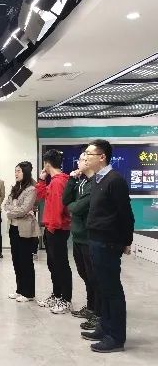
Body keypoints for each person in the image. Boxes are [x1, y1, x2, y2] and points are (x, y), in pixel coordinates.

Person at [81, 139, 134, 353]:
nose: (85, 157)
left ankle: (116, 337)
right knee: (102, 287)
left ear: (102, 157)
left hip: (108, 242)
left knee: (112, 290)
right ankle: (104, 327)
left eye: (89, 154)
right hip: (95, 239)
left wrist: (126, 241)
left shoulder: (115, 180)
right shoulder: (98, 179)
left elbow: (126, 215)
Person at [62, 152, 100, 331]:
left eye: (82, 159)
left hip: (89, 238)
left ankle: (97, 312)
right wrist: (71, 179)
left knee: (93, 276)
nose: (79, 162)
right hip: (77, 236)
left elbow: (77, 208)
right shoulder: (81, 181)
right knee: (85, 275)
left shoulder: (95, 183)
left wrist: (72, 207)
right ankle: (91, 307)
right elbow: (66, 200)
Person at [36, 149, 72, 314]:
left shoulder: (59, 182)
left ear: (46, 164)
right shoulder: (55, 181)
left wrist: (52, 228)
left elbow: (58, 207)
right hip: (52, 227)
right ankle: (57, 295)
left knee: (61, 265)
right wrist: (41, 180)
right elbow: (42, 195)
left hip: (56, 228)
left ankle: (65, 299)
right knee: (53, 264)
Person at [4, 161, 39, 302]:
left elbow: (24, 209)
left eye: (18, 171)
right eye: (15, 171)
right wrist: (14, 210)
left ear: (25, 172)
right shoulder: (15, 188)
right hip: (13, 227)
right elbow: (6, 205)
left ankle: (28, 293)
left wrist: (11, 212)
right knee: (16, 260)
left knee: (25, 261)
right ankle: (20, 290)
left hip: (25, 229)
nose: (16, 173)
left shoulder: (31, 189)